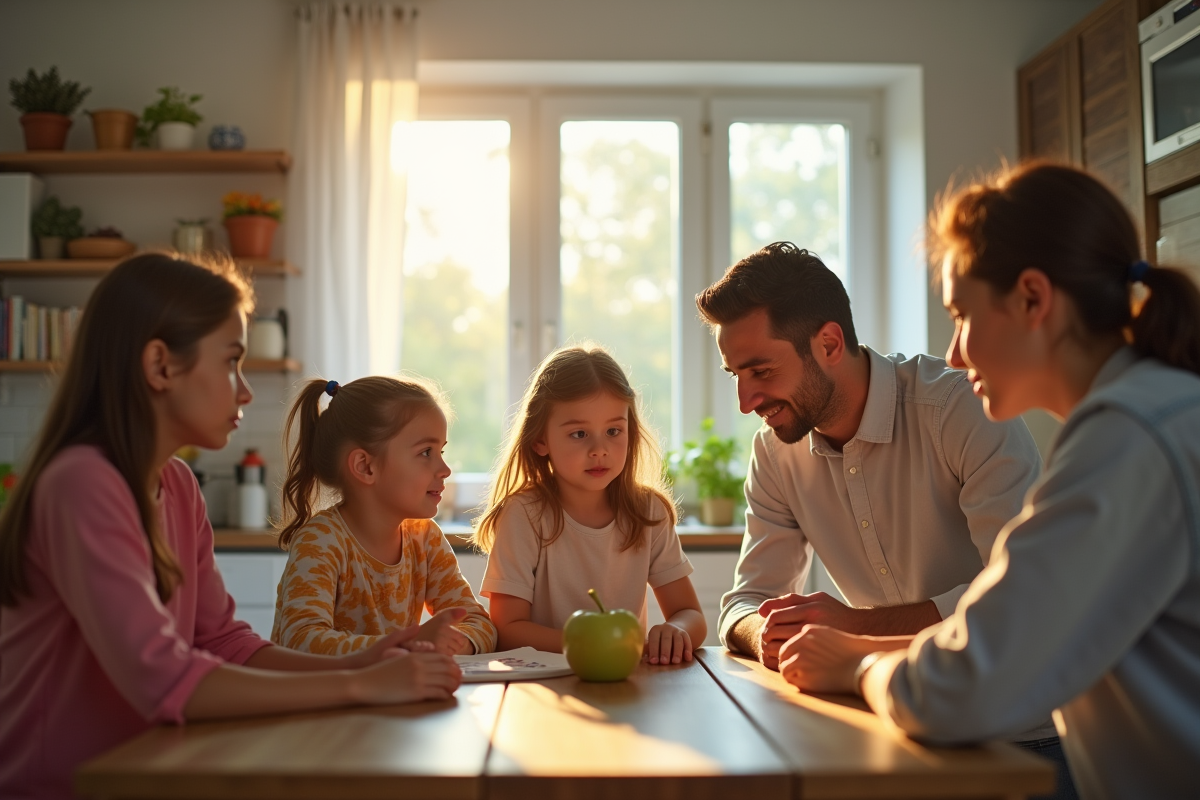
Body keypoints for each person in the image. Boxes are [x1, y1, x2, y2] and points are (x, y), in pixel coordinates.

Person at [777, 162, 1200, 800]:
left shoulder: (1124, 439)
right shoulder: (1157, 410)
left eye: (961, 314)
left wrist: (858, 663)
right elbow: (1016, 631)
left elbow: (960, 690)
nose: (954, 353)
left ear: (1033, 299)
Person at [0, 254, 461, 800]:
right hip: (61, 786)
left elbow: (221, 640)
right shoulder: (82, 483)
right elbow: (163, 678)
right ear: (160, 366)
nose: (244, 391)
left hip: (151, 769)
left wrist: (368, 659)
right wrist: (358, 684)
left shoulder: (175, 484)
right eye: (231, 363)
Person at [697, 242, 1078, 797]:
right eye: (735, 373)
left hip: (1022, 733)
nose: (744, 399)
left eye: (760, 370)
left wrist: (849, 629)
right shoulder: (775, 453)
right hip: (893, 719)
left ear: (828, 343)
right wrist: (768, 636)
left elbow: (1018, 598)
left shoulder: (959, 409)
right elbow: (743, 603)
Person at [473, 344, 706, 664]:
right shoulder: (524, 514)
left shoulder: (649, 511)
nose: (600, 449)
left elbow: (689, 613)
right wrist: (590, 642)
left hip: (625, 687)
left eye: (613, 430)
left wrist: (676, 630)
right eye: (579, 433)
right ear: (540, 439)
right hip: (543, 689)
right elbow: (507, 629)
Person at [272, 376, 496, 656]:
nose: (445, 469)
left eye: (441, 451)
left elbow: (478, 623)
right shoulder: (320, 542)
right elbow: (300, 640)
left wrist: (458, 642)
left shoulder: (424, 537)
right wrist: (407, 645)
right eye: (426, 452)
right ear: (365, 467)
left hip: (386, 694)